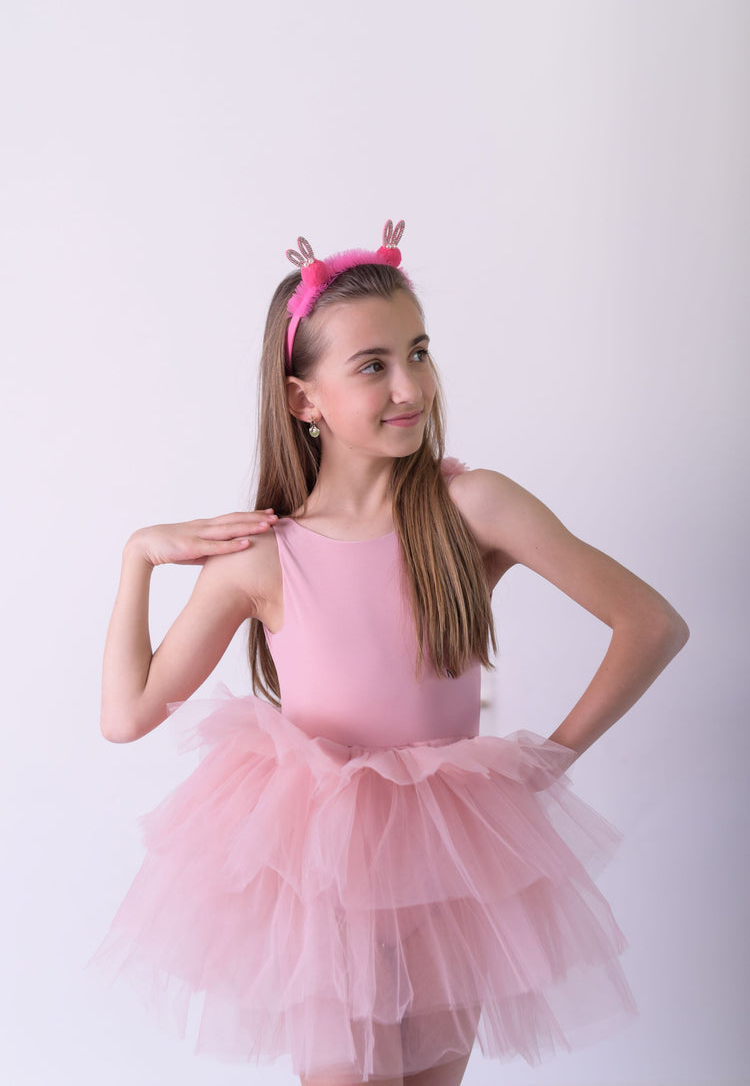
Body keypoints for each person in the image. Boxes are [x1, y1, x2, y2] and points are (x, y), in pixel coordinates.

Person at [90, 220, 689, 1086]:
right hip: (319, 873)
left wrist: (548, 763)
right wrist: (137, 557)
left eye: (418, 352)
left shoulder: (472, 508)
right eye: (373, 365)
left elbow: (651, 624)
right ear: (305, 400)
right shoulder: (261, 553)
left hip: (447, 866)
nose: (409, 385)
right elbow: (127, 715)